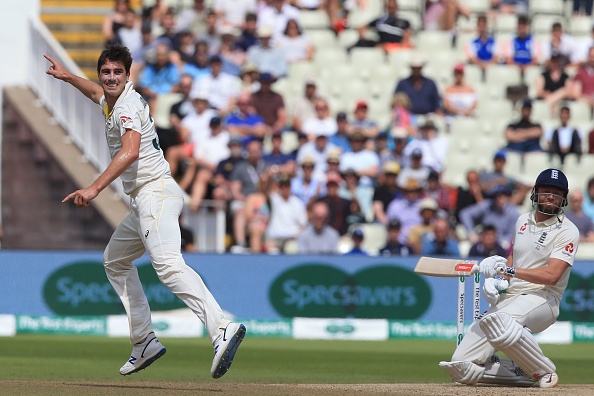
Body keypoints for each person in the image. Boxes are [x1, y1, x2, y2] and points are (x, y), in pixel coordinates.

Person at [44, 45, 245, 379]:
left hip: (156, 193)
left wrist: (94, 188)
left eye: (117, 73)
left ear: (127, 75)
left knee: (167, 265)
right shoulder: (111, 99)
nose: (110, 78)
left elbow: (131, 151)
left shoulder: (127, 106)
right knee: (115, 260)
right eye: (105, 72)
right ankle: (144, 341)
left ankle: (221, 326)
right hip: (144, 200)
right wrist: (67, 77)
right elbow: (96, 92)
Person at [440, 168, 579, 389]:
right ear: (535, 192)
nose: (551, 196)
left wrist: (511, 272)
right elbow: (514, 258)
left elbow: (552, 276)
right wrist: (499, 278)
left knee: (501, 322)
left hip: (543, 298)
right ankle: (521, 372)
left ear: (564, 196)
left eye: (556, 192)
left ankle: (543, 370)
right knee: (461, 366)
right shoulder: (522, 220)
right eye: (546, 191)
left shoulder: (567, 230)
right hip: (511, 297)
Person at [459, 185, 520, 249]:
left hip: (501, 243)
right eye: (496, 196)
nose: (499, 198)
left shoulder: (514, 213)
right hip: (483, 241)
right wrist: (471, 232)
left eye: (502, 195)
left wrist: (494, 240)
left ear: (508, 197)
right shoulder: (488, 205)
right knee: (465, 247)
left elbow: (511, 235)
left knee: (506, 245)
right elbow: (464, 214)